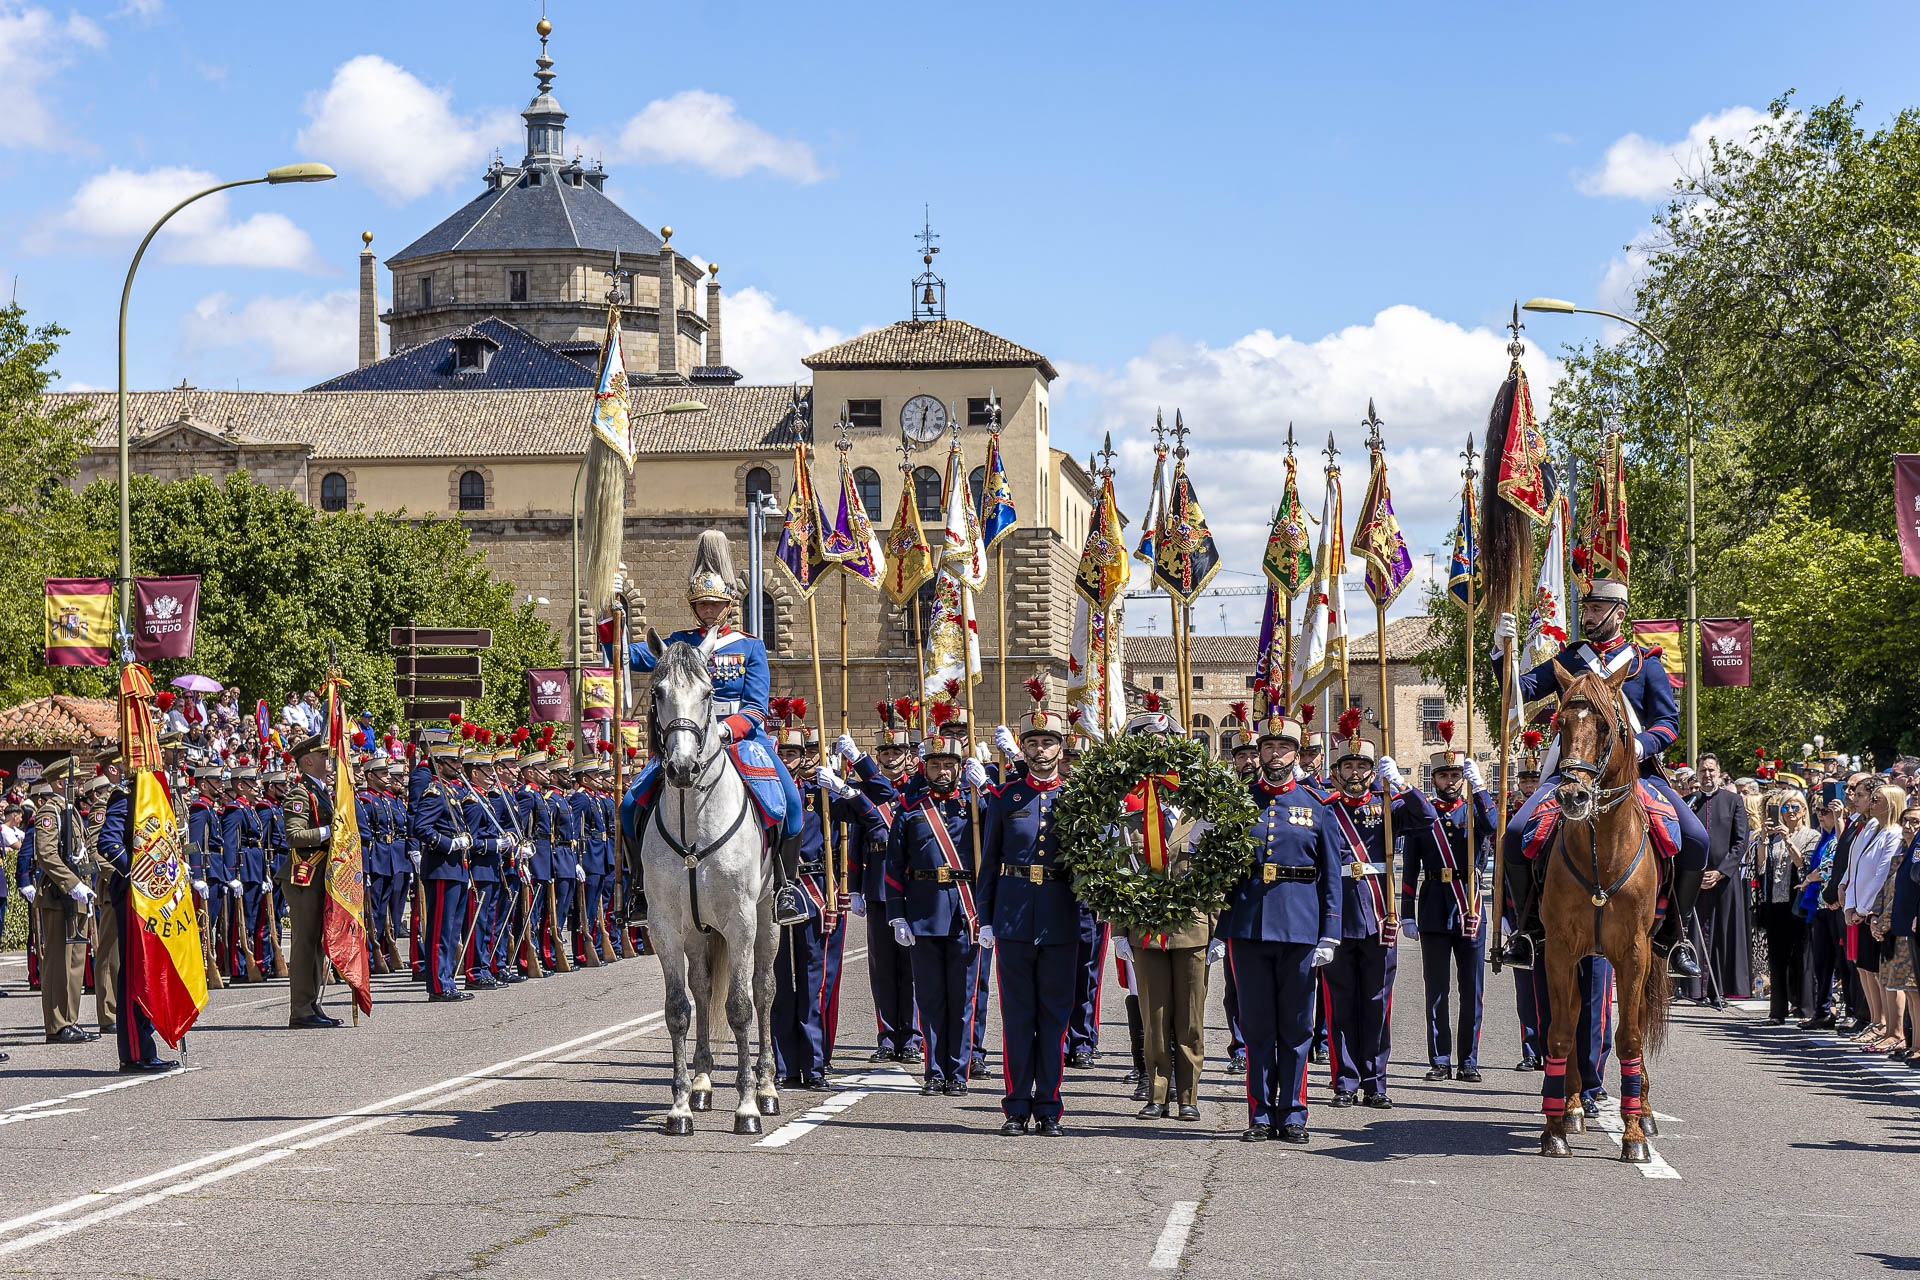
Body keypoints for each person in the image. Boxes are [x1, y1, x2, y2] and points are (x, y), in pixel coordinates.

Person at [1494, 576, 1710, 978]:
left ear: (1618, 614)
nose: (1587, 616)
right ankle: (1527, 931)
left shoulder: (1646, 663)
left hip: (1638, 775)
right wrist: (1499, 652)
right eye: (1585, 609)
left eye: (1595, 609)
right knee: (1515, 834)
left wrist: (1642, 746)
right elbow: (1517, 692)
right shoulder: (1572, 659)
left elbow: (1668, 723)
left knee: (1696, 838)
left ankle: (1673, 937)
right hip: (1573, 771)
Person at [611, 531, 807, 925]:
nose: (709, 610)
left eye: (715, 604)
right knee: (631, 804)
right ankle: (639, 890)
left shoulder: (749, 646)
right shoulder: (680, 644)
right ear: (693, 605)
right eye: (702, 604)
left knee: (788, 803)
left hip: (739, 742)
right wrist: (612, 612)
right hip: (685, 739)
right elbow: (626, 657)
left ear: (728, 604)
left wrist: (724, 731)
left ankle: (786, 885)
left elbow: (755, 708)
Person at [1216, 709, 1340, 1144]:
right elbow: (1224, 872)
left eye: (1283, 747)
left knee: (1296, 1027)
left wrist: (1330, 931)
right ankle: (1260, 1114)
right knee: (1256, 1026)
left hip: (1301, 928)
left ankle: (1293, 1113)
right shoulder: (1236, 804)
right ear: (1259, 752)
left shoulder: (1318, 805)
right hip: (1248, 928)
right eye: (1268, 747)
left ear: (1296, 754)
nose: (1275, 754)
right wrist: (1219, 932)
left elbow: (1330, 872)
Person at [976, 692, 1077, 1135]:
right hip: (1014, 916)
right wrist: (984, 918)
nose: (1040, 750)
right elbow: (989, 862)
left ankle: (1050, 1106)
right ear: (1023, 746)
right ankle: (1016, 1105)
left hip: (1061, 917)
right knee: (1018, 1018)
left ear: (1061, 747)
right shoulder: (1005, 797)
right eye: (1033, 743)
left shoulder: (1078, 798)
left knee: (1054, 1020)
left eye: (1048, 742)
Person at [772, 714, 888, 1089]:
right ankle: (783, 1065)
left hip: (818, 890)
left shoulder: (818, 791)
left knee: (815, 982)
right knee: (777, 984)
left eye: (796, 753)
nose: (790, 759)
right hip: (773, 888)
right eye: (784, 752)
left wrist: (847, 786)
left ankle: (815, 1064)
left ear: (807, 756)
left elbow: (884, 804)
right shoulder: (761, 789)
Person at [1320, 710, 1427, 1109]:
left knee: (1377, 1002)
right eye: (1347, 764)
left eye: (1361, 765)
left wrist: (1402, 785)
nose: (1354, 771)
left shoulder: (1389, 806)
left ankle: (1375, 1081)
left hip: (1378, 915)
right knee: (1340, 1002)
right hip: (1337, 915)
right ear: (1337, 770)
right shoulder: (1327, 808)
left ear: (1371, 770)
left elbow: (1426, 818)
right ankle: (1345, 1081)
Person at [1114, 706, 1214, 1124]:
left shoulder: (1202, 805)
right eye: (1147, 746)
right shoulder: (1126, 810)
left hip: (1191, 926)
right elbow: (1114, 869)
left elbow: (1217, 873)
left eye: (1163, 745)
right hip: (1145, 927)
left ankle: (1188, 1095)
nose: (1156, 753)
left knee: (1190, 1018)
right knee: (1153, 1016)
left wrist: (1219, 930)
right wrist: (1119, 928)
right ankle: (1157, 1092)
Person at [883, 719, 987, 1095]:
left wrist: (987, 787)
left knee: (962, 1000)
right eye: (934, 765)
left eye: (948, 765)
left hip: (965, 912)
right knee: (929, 999)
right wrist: (897, 913)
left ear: (960, 767)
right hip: (924, 913)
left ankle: (958, 1072)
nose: (941, 772)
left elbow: (995, 850)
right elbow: (894, 865)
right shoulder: (910, 809)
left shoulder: (976, 806)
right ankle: (934, 1072)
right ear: (924, 768)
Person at [1401, 735, 1492, 1084]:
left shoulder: (1476, 810)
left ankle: (1469, 1059)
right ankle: (1440, 1059)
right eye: (1444, 776)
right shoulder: (1424, 814)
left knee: (1472, 989)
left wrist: (1481, 788)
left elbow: (1495, 826)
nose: (1451, 782)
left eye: (1456, 775)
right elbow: (1410, 865)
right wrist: (1407, 911)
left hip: (1470, 905)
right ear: (1434, 779)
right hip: (1436, 905)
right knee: (1436, 989)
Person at [853, 704, 921, 1064]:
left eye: (897, 751)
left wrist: (860, 762)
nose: (891, 757)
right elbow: (855, 840)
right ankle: (886, 1035)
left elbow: (892, 800)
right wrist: (854, 886)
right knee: (882, 968)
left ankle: (913, 1036)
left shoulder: (914, 787)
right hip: (878, 885)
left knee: (912, 968)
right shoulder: (865, 788)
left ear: (910, 756)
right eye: (885, 752)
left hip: (913, 886)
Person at [31, 761, 99, 1044]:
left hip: (76, 894)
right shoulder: (50, 813)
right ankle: (57, 1025)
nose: (81, 785)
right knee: (58, 961)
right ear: (61, 783)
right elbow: (46, 855)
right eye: (76, 780)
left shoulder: (69, 812)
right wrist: (72, 885)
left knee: (75, 961)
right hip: (58, 895)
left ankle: (70, 1020)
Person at [409, 729, 474, 1003]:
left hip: (456, 868)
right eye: (454, 763)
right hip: (441, 867)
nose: (459, 768)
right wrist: (449, 844)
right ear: (441, 764)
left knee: (450, 930)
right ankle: (437, 985)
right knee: (439, 930)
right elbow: (420, 827)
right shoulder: (435, 793)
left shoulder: (451, 792)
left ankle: (447, 980)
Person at [1840, 782, 1906, 1050]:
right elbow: (1854, 866)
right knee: (1865, 967)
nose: (1872, 802)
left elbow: (1881, 876)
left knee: (1881, 972)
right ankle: (1879, 1021)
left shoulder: (1893, 833)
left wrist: (1865, 909)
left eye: (1877, 799)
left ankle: (1891, 1027)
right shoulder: (1871, 828)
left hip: (1872, 910)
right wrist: (1848, 900)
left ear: (1890, 804)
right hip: (1860, 909)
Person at [1689, 753, 1752, 1004]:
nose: (1707, 775)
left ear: (1719, 772)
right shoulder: (1689, 802)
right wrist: (1697, 872)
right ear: (1697, 772)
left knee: (1723, 934)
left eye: (1711, 770)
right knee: (1698, 933)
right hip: (1697, 877)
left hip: (1725, 878)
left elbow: (1740, 841)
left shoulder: (1733, 801)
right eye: (1703, 770)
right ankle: (1699, 990)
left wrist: (1721, 871)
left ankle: (1721, 991)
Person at [1869, 796, 1919, 1060]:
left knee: (1912, 988)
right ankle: (1906, 1041)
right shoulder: (1899, 856)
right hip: (1892, 925)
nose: (1909, 826)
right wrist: (1875, 916)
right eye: (1906, 821)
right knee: (1899, 985)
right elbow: (1885, 890)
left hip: (1908, 925)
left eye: (1915, 822)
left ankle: (1909, 1041)